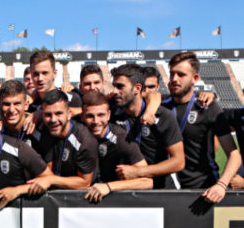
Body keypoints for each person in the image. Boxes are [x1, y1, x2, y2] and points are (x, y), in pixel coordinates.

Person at [162, 52, 241, 202]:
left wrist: (221, 185)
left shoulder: (208, 107)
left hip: (202, 191)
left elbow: (234, 155)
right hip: (165, 190)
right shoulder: (160, 106)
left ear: (195, 78)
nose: (174, 79)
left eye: (181, 74)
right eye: (172, 74)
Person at [110, 63, 185, 189]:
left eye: (120, 86)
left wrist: (138, 172)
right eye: (114, 86)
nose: (114, 91)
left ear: (137, 88)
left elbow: (179, 162)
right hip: (128, 189)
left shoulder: (162, 115)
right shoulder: (112, 114)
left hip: (162, 189)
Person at [81, 91, 153, 202]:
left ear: (109, 115)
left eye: (101, 115)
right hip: (83, 200)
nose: (96, 121)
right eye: (90, 116)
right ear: (82, 116)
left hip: (116, 202)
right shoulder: (77, 135)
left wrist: (109, 186)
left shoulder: (122, 139)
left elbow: (147, 182)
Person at [26, 89, 98, 193]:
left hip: (82, 197)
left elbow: (84, 182)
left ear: (69, 114)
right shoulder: (45, 131)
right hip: (53, 195)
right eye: (48, 115)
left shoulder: (84, 140)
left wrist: (51, 180)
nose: (53, 120)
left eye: (58, 113)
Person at [28, 51, 82, 115]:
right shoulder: (28, 105)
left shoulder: (71, 99)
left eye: (45, 73)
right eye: (36, 74)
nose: (40, 78)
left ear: (54, 73)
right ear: (31, 75)